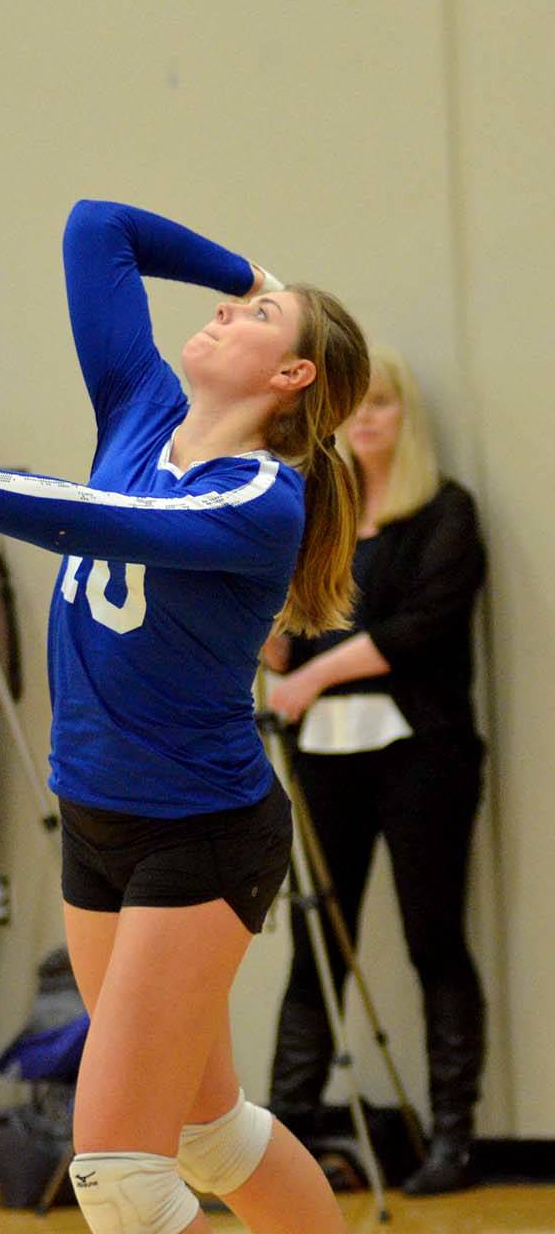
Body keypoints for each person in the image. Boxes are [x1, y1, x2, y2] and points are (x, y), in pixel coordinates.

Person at [0, 197, 370, 1234]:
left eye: (259, 320)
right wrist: (246, 270)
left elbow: (92, 517)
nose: (224, 315)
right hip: (97, 819)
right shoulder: (140, 409)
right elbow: (93, 227)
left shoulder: (263, 499)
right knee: (210, 1134)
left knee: (117, 1177)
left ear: (292, 378)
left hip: (199, 834)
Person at [264, 346, 487, 1197]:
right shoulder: (316, 518)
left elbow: (419, 628)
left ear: (406, 415)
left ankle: (455, 1142)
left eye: (382, 403)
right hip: (324, 756)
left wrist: (313, 673)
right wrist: (270, 639)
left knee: (434, 939)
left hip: (422, 752)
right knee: (317, 944)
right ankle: (279, 1142)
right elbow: (290, 635)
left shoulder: (446, 512)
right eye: (355, 405)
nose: (367, 419)